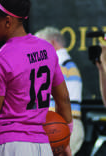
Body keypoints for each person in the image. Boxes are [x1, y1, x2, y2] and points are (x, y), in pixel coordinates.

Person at [0, 0, 72, 156]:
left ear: (7, 21)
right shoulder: (47, 49)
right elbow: (63, 99)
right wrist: (65, 139)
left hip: (6, 145)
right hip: (42, 146)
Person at [35, 26, 84, 155]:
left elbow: (62, 101)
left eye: (41, 44)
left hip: (60, 125)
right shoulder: (68, 65)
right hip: (65, 124)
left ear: (52, 43)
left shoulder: (57, 64)